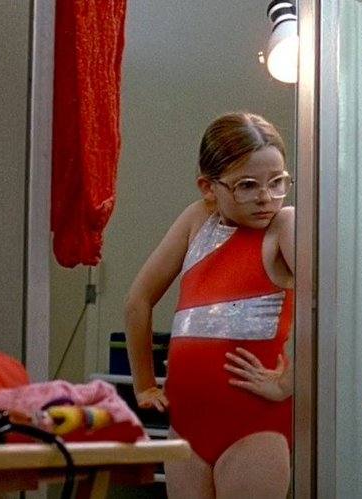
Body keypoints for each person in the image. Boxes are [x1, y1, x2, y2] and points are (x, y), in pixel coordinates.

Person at [124, 112, 295, 499]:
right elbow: (138, 301)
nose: (265, 197)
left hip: (254, 425)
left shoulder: (284, 226)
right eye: (247, 186)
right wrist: (144, 384)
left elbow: (324, 306)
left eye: (277, 182)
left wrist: (289, 381)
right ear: (208, 187)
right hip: (187, 424)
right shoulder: (197, 220)